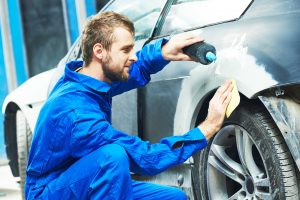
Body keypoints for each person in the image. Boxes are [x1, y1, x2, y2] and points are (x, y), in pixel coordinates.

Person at [25, 11, 233, 200]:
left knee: (173, 198)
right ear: (99, 51)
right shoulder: (78, 114)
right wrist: (206, 129)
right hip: (50, 193)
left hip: (81, 181)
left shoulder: (84, 79)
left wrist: (163, 52)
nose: (133, 56)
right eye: (126, 50)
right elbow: (145, 158)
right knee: (113, 157)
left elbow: (128, 73)